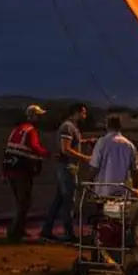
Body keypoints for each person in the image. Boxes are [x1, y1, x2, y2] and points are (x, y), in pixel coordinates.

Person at [39, 103, 91, 243]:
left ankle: (47, 230)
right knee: (69, 201)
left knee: (59, 200)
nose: (85, 116)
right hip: (67, 167)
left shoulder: (72, 127)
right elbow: (65, 149)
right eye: (83, 113)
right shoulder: (67, 127)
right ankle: (68, 233)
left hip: (68, 167)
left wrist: (86, 141)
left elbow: (72, 143)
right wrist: (85, 158)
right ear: (76, 112)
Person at [0, 104, 50, 242]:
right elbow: (34, 146)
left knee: (20, 201)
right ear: (33, 116)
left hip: (11, 169)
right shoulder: (31, 131)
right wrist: (46, 154)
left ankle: (19, 229)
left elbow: (8, 150)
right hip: (22, 170)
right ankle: (14, 233)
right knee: (24, 203)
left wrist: (3, 172)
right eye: (39, 116)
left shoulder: (17, 129)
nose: (40, 119)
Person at [88, 114, 138, 197]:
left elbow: (95, 167)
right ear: (120, 126)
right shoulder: (129, 145)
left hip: (103, 191)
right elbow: (135, 170)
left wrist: (89, 181)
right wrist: (135, 189)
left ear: (107, 125)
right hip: (123, 192)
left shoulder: (102, 142)